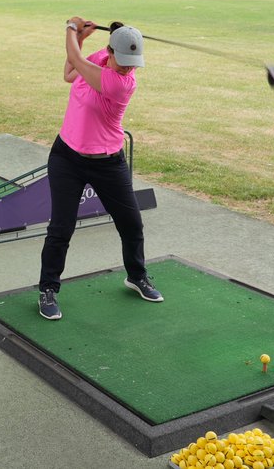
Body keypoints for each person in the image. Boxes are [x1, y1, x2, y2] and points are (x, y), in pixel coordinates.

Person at [36, 18, 162, 322]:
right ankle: (47, 289)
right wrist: (80, 39)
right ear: (110, 51)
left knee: (131, 223)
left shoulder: (122, 84)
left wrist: (70, 28)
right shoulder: (98, 59)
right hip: (67, 157)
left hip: (108, 162)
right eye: (124, 61)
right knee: (60, 229)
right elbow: (69, 72)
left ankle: (137, 276)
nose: (129, 68)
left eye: (134, 63)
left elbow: (76, 62)